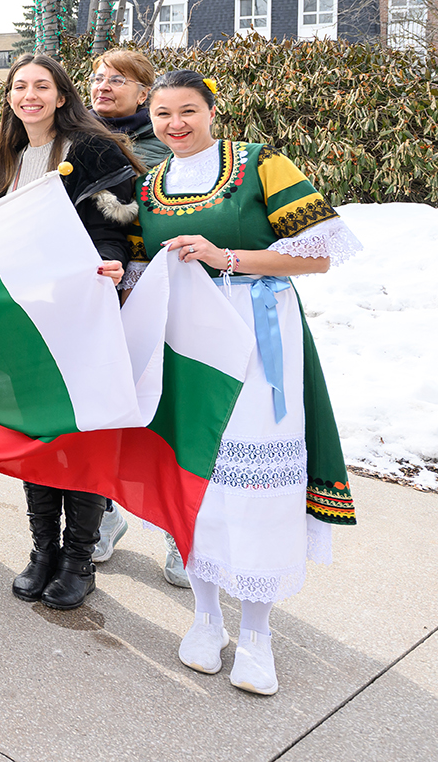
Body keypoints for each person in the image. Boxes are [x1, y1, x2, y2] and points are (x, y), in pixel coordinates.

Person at [133, 70, 360, 698]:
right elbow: (143, 260)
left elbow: (318, 255)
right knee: (198, 478)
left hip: (259, 338)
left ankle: (257, 632)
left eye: (187, 111)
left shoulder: (262, 164)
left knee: (258, 481)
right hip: (187, 343)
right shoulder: (148, 185)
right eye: (161, 116)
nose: (175, 125)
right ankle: (206, 618)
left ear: (212, 111)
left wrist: (224, 257)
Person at [0, 54, 140, 610]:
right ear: (9, 96)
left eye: (41, 86)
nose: (29, 95)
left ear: (60, 95)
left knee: (80, 434)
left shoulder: (91, 146)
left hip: (78, 312)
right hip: (23, 318)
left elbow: (114, 224)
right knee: (39, 434)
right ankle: (42, 551)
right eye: (19, 86)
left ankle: (79, 559)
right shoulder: (4, 155)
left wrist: (107, 263)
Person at [85, 47, 178, 578]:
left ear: (145, 91)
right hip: (100, 282)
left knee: (161, 405)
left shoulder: (163, 139)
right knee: (108, 403)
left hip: (156, 280)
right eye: (97, 78)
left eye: (118, 79)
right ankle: (105, 514)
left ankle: (174, 526)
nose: (104, 86)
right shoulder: (81, 137)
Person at [89, 48, 170, 167]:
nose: (102, 87)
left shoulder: (167, 140)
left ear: (143, 95)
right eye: (98, 79)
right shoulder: (68, 132)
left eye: (116, 81)